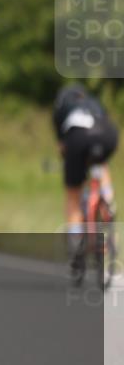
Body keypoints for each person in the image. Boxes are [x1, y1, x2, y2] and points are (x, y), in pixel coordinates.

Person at [52, 83, 118, 275]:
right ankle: (108, 201)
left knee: (73, 195)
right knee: (101, 164)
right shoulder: (93, 102)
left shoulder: (61, 109)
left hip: (78, 136)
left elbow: (63, 147)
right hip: (107, 134)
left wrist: (71, 167)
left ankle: (75, 250)